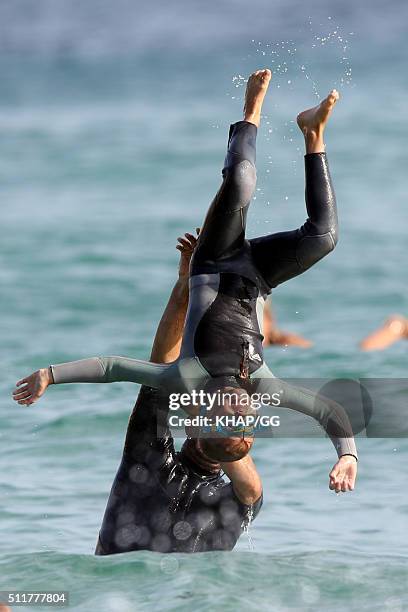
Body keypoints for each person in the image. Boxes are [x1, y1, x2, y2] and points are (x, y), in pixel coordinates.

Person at [13, 69, 358, 492]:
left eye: (221, 416)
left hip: (214, 259)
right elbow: (328, 411)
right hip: (260, 277)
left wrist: (50, 374)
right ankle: (313, 135)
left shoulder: (186, 379)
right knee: (323, 238)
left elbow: (112, 368)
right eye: (240, 417)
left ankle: (250, 113)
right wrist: (347, 454)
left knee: (240, 183)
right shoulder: (264, 384)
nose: (233, 407)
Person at [94, 232, 263, 554]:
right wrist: (185, 287)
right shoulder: (150, 458)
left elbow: (251, 486)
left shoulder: (234, 497)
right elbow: (160, 365)